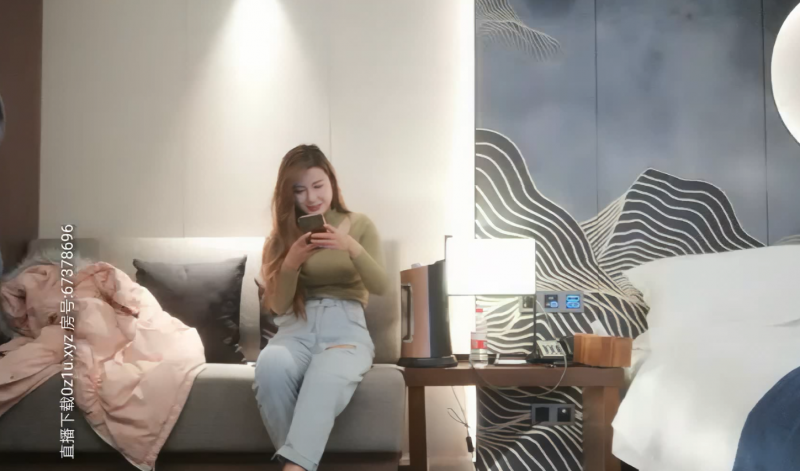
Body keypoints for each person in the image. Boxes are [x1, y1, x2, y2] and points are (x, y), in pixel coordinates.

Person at [253, 144, 388, 471]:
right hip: (294, 330)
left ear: (332, 182)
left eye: (318, 186)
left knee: (325, 376)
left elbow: (381, 286)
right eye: (299, 190)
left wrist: (350, 247)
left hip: (345, 330)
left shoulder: (360, 224)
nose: (311, 198)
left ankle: (293, 467)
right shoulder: (281, 237)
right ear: (288, 194)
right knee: (270, 365)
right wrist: (291, 263)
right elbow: (278, 306)